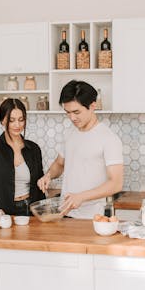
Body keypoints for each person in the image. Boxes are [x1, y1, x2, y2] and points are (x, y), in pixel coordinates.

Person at [37, 80, 123, 219]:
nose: (72, 118)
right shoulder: (70, 133)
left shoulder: (108, 138)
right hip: (64, 213)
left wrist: (81, 197)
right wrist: (48, 175)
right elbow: (59, 164)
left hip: (90, 217)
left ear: (92, 106)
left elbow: (116, 184)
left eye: (76, 112)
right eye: (68, 112)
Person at [0, 98, 45, 216]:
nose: (17, 125)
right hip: (1, 213)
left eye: (21, 119)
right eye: (11, 120)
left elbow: (39, 183)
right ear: (2, 120)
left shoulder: (34, 149)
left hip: (31, 212)